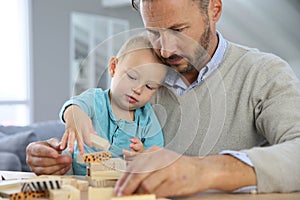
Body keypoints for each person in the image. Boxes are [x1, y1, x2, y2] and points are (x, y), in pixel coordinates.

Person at [26, 0, 300, 197]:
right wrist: (54, 154)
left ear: (214, 9)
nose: (166, 50)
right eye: (154, 33)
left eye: (178, 30)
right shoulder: (138, 75)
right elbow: (93, 123)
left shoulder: (264, 72)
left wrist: (204, 171)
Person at [58, 35, 166, 175]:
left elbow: (157, 157)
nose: (138, 90)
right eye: (132, 77)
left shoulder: (148, 119)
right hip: (80, 180)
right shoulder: (95, 100)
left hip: (119, 187)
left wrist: (143, 156)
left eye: (149, 86)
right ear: (113, 67)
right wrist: (75, 115)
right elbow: (73, 106)